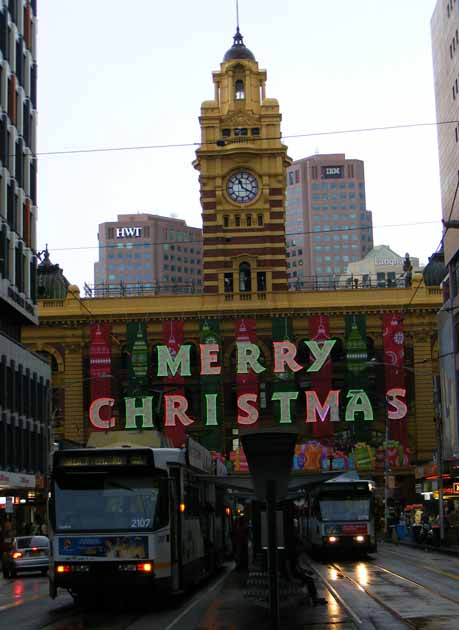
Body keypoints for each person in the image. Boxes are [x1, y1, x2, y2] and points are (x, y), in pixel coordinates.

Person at [283, 533, 326, 606]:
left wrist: (305, 571)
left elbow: (296, 566)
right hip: (291, 574)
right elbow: (288, 566)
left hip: (295, 573)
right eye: (301, 547)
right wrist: (291, 578)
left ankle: (313, 597)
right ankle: (314, 598)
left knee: (310, 578)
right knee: (309, 581)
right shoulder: (291, 554)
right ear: (297, 546)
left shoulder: (295, 554)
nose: (302, 549)